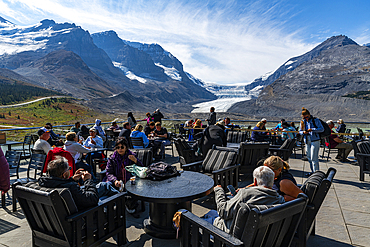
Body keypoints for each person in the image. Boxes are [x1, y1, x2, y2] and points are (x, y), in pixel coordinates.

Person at [208, 166, 284, 233]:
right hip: (260, 235)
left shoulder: (245, 194)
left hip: (228, 235)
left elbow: (223, 212)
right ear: (272, 182)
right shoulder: (280, 200)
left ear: (255, 181)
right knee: (211, 213)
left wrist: (219, 191)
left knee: (203, 218)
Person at [38, 156, 119, 210]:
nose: (70, 170)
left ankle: (123, 199)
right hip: (84, 215)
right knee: (106, 196)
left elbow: (59, 183)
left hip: (61, 216)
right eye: (69, 169)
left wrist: (72, 179)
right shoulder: (71, 187)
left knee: (103, 185)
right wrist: (88, 181)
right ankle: (122, 200)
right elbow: (92, 199)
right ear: (64, 174)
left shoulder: (44, 183)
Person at [104, 139, 143, 216]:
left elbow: (141, 169)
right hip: (116, 181)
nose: (120, 149)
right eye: (118, 147)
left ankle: (129, 204)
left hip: (130, 182)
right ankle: (108, 208)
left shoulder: (131, 156)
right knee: (106, 186)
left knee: (135, 193)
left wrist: (135, 161)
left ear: (126, 147)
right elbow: (109, 172)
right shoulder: (112, 158)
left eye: (122, 147)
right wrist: (115, 180)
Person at [299, 107, 324, 175]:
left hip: (315, 140)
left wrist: (312, 129)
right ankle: (313, 172)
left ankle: (316, 173)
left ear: (309, 114)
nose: (306, 118)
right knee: (309, 157)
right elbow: (300, 131)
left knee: (314, 157)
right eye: (304, 117)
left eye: (307, 117)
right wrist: (304, 132)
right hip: (307, 140)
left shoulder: (315, 120)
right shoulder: (302, 122)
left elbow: (321, 129)